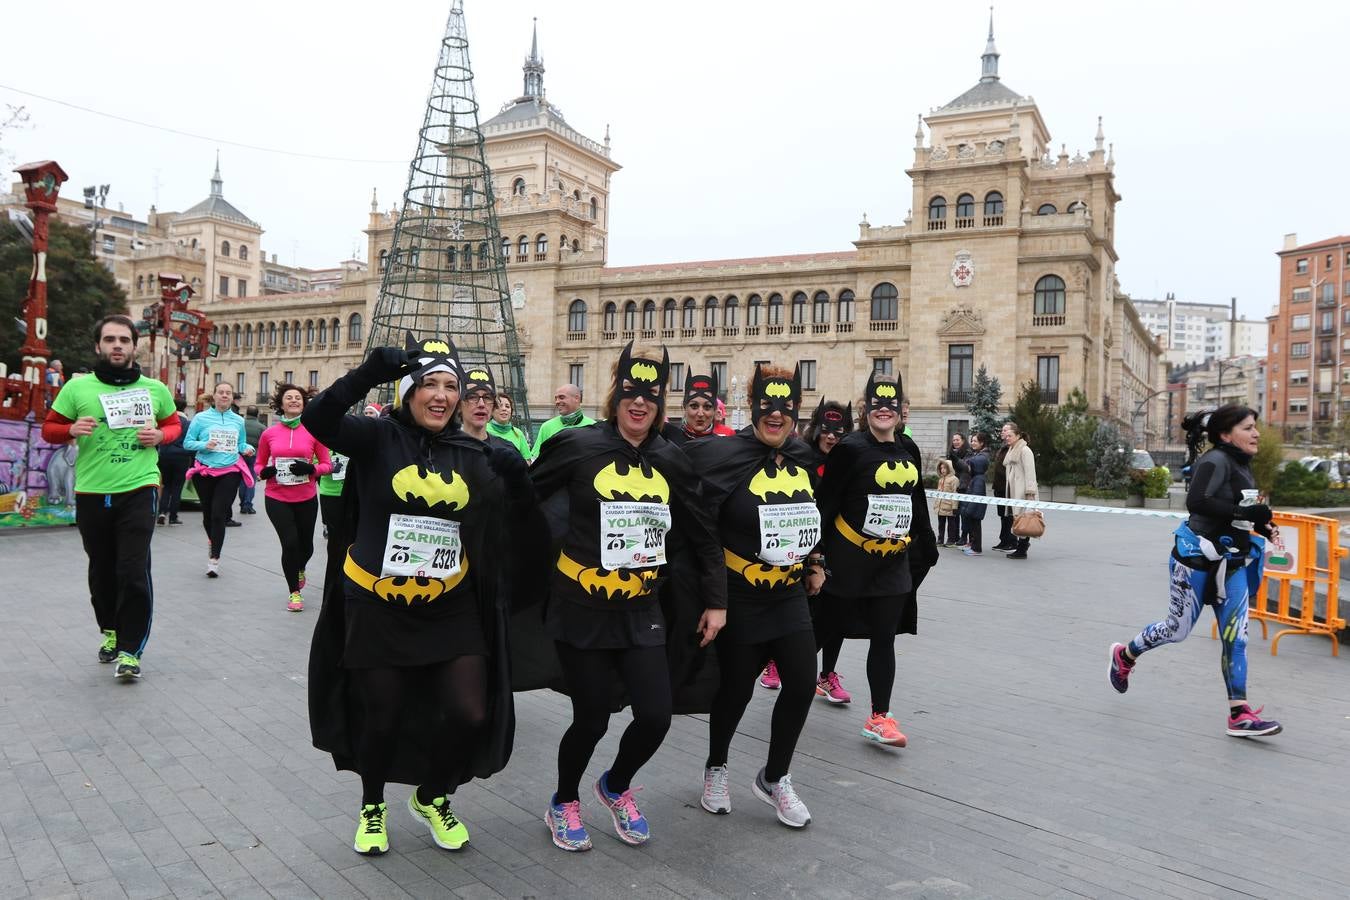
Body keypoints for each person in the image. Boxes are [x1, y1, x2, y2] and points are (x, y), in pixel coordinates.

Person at [304, 333, 539, 856]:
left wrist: (518, 481)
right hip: (376, 601)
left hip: (449, 603)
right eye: (429, 383)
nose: (441, 394)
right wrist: (367, 373)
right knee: (380, 714)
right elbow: (318, 420)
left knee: (469, 711)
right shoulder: (377, 438)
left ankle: (432, 796)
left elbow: (515, 525)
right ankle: (372, 803)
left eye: (450, 385)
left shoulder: (473, 453)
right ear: (408, 391)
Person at [530, 342, 724, 852]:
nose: (640, 404)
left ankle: (614, 785)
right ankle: (564, 800)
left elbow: (702, 533)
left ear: (661, 405)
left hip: (642, 607)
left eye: (651, 397)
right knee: (591, 718)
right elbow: (524, 498)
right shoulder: (578, 446)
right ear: (616, 396)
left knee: (657, 714)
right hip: (582, 607)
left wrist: (716, 600)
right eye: (631, 394)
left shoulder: (670, 459)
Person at [684, 362, 823, 828]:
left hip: (788, 595)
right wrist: (713, 596)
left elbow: (808, 514)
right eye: (768, 406)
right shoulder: (723, 453)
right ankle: (716, 766)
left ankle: (775, 777)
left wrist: (817, 561)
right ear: (753, 406)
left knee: (803, 682)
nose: (776, 415)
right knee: (735, 690)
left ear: (796, 411)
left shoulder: (802, 457)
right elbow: (696, 518)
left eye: (786, 408)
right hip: (740, 596)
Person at [1108, 404, 1281, 738]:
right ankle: (1124, 655)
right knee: (1177, 630)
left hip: (1232, 564)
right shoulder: (1214, 461)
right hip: (1196, 561)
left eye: (1255, 426)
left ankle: (1239, 713)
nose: (1256, 433)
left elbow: (1238, 512)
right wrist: (1245, 512)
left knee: (1237, 638)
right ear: (1225, 434)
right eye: (1248, 427)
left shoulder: (1243, 465)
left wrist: (1262, 522)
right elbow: (1197, 503)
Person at [41, 315, 179, 679]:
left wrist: (160, 437)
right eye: (109, 340)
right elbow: (48, 429)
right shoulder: (77, 389)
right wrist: (70, 428)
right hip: (91, 491)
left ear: (135, 346)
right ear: (98, 346)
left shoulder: (155, 388)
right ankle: (112, 631)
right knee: (101, 570)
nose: (117, 345)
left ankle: (131, 650)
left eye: (123, 340)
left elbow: (174, 424)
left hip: (139, 487)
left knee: (132, 569)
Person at [812, 372, 937, 744]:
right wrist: (816, 557)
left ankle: (880, 717)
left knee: (884, 638)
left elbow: (916, 503)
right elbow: (826, 504)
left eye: (892, 405)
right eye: (877, 405)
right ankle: (794, 683)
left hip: (891, 564)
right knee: (821, 632)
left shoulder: (908, 449)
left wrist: (925, 547)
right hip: (848, 562)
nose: (885, 411)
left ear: (901, 411)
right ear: (866, 409)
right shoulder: (849, 449)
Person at [759, 398, 852, 692]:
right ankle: (775, 661)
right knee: (801, 608)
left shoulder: (848, 461)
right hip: (801, 547)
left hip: (837, 546)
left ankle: (827, 674)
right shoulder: (799, 456)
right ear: (816, 429)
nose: (831, 437)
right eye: (826, 430)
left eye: (838, 432)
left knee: (835, 613)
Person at [255, 383, 332, 611]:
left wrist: (311, 470)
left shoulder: (313, 432)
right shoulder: (269, 433)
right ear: (281, 404)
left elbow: (327, 464)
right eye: (289, 398)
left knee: (306, 547)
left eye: (298, 398)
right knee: (289, 544)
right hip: (276, 496)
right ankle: (294, 593)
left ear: (304, 403)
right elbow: (259, 463)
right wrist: (263, 472)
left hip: (306, 497)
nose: (294, 401)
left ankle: (300, 567)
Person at [184, 382, 254, 577]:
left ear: (232, 398)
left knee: (218, 514)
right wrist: (205, 444)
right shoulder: (200, 418)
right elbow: (187, 443)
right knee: (207, 515)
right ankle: (212, 540)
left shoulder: (238, 421)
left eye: (228, 393)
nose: (224, 395)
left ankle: (214, 559)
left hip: (230, 471)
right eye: (221, 392)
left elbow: (240, 444)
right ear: (213, 396)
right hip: (205, 472)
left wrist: (248, 449)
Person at [998, 421, 1038, 559]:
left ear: (1017, 435)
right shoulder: (1012, 450)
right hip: (1014, 491)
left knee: (1024, 519)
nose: (1007, 438)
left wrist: (1030, 493)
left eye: (1010, 435)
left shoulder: (1025, 450)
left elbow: (1030, 472)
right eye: (1006, 436)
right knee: (1018, 518)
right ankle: (1021, 548)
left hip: (1023, 491)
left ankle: (1022, 549)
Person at [529, 383, 594, 460]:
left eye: (561, 397)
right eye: (556, 398)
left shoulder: (593, 426)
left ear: (576, 398)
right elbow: (535, 459)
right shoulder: (546, 427)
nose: (557, 401)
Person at [156, 397, 193, 525]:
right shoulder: (187, 423)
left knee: (166, 485)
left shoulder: (166, 422)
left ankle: (161, 512)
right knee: (177, 487)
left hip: (165, 456)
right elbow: (190, 442)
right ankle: (173, 516)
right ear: (185, 408)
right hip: (181, 457)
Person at [664, 371, 726, 445]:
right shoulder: (666, 439)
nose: (700, 414)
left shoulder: (722, 446)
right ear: (684, 407)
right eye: (694, 406)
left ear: (715, 410)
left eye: (707, 407)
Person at [959, 432, 991, 556]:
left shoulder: (978, 478)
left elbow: (977, 495)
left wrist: (970, 508)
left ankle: (976, 548)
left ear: (982, 443)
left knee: (976, 524)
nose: (972, 443)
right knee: (973, 523)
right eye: (971, 441)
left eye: (975, 441)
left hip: (976, 507)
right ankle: (973, 545)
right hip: (972, 503)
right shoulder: (975, 476)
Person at [237, 404, 266, 515]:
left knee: (241, 480)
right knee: (250, 479)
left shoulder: (240, 425)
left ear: (246, 413)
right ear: (257, 415)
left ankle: (242, 503)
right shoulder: (261, 427)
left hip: (240, 455)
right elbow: (263, 445)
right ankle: (248, 504)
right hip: (253, 455)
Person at [947, 433, 971, 546]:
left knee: (963, 513)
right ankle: (953, 536)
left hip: (963, 486)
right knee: (953, 512)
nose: (955, 442)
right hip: (952, 486)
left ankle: (964, 536)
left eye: (957, 440)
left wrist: (955, 458)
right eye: (954, 440)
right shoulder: (951, 453)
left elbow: (965, 468)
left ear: (963, 441)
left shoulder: (968, 452)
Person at [934, 459, 960, 546]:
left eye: (945, 468)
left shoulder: (954, 479)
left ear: (950, 468)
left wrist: (955, 507)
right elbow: (938, 493)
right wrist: (936, 505)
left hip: (949, 506)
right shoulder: (941, 480)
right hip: (940, 507)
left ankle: (951, 540)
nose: (942, 470)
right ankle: (940, 539)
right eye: (941, 468)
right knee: (941, 524)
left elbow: (955, 493)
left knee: (951, 525)